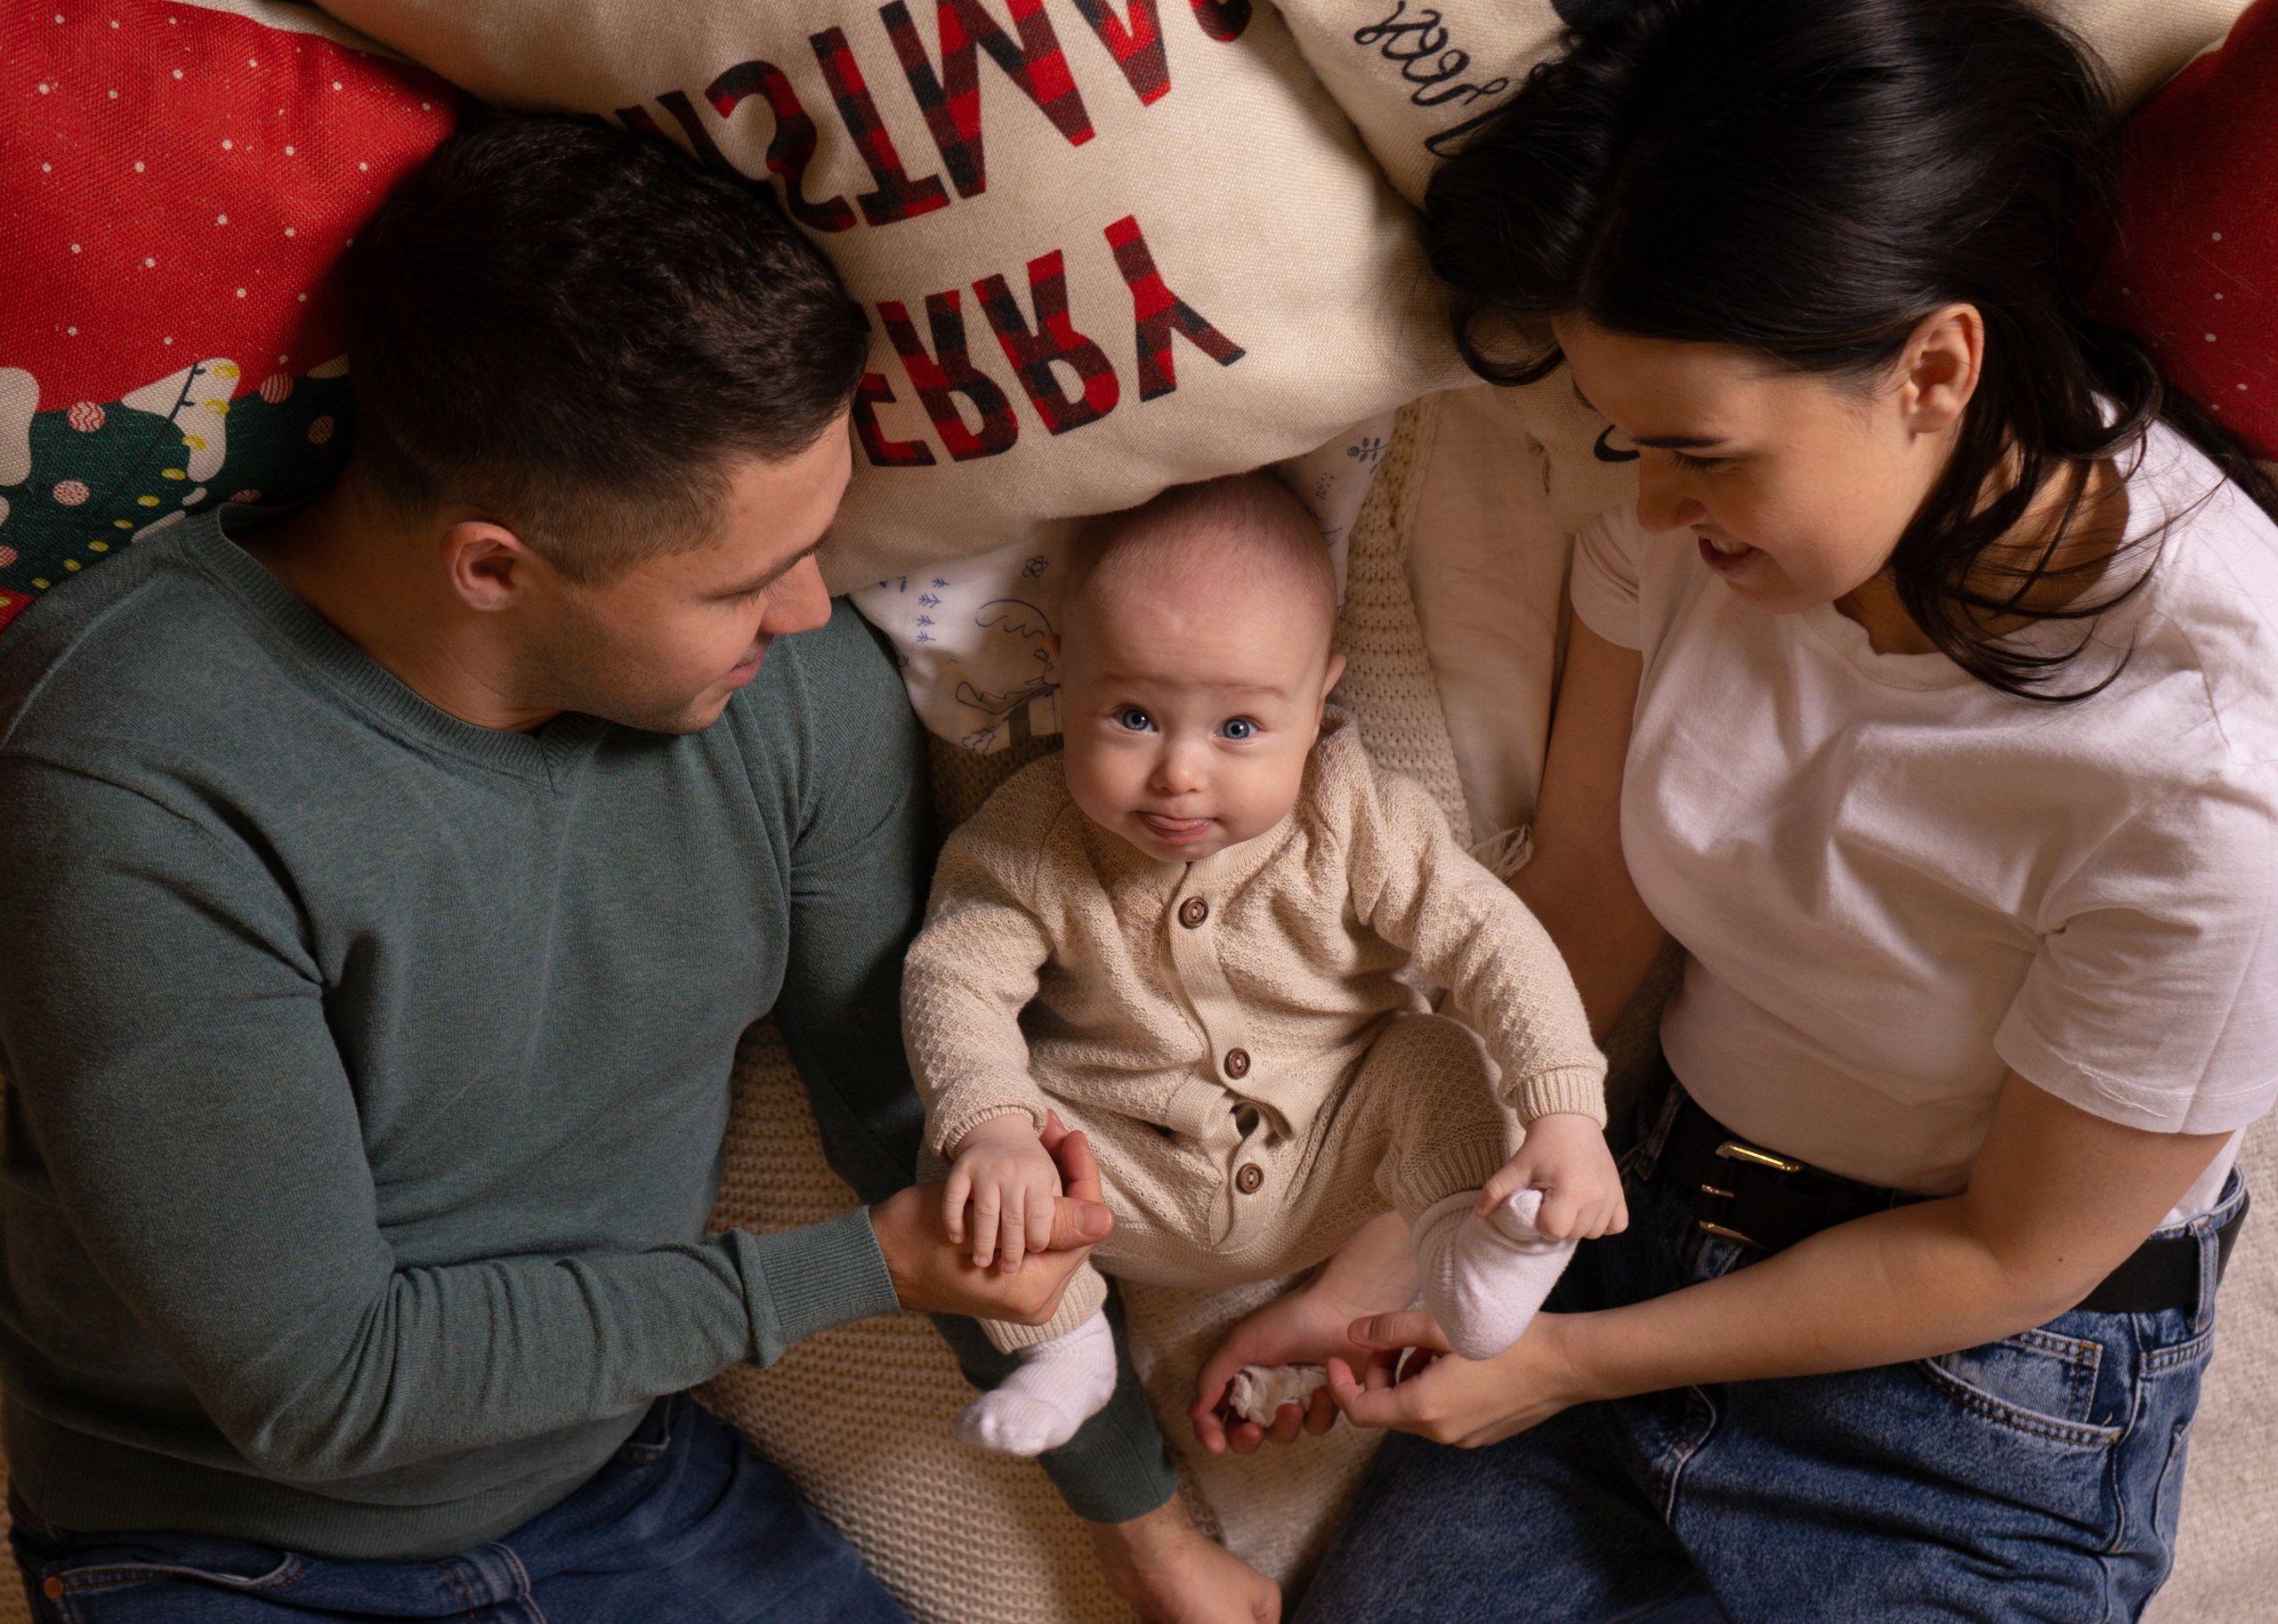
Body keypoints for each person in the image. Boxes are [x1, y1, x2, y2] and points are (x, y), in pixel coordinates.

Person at [0, 115, 1200, 1620]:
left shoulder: (792, 697)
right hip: (226, 1546)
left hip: (623, 1487)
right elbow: (319, 1384)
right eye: (745, 581)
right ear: (493, 569)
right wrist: (845, 1277)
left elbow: (917, 1106)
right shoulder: (137, 772)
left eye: (815, 542)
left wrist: (1143, 1525)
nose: (814, 611)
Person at [1191, 2, 2278, 1619]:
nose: (1645, 504)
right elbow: (1581, 913)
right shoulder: (1697, 526)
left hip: (1983, 1393)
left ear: (1936, 366)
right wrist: (1399, 1266)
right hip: (1633, 1212)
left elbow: (2012, 1253)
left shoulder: (2216, 769)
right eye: (1632, 437)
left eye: (1700, 450)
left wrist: (1561, 1366)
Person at [902, 474, 1621, 1461]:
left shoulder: (1355, 814)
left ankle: (1472, 1258)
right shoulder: (1027, 841)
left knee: (1439, 1059)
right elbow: (954, 980)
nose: (1181, 774)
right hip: (1113, 1177)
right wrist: (993, 1126)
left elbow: (1491, 938)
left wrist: (1565, 1111)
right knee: (959, 1162)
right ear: (1061, 675)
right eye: (1133, 717)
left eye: (1238, 728)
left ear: (1320, 693)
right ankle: (1066, 1345)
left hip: (1335, 1149)